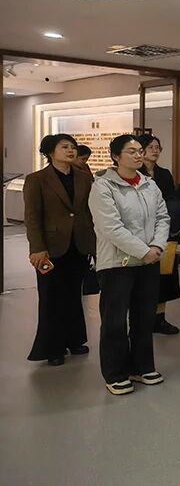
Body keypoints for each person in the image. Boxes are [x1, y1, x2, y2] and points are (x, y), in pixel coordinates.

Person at [89, 134, 170, 396]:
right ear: (116, 156)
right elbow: (110, 227)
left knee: (144, 317)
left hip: (149, 261)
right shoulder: (103, 186)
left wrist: (157, 247)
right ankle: (115, 373)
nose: (138, 155)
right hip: (117, 263)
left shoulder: (149, 184)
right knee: (114, 321)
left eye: (140, 151)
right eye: (131, 151)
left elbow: (163, 217)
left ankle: (142, 367)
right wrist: (143, 251)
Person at [24, 134, 97, 366]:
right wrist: (37, 248)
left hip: (80, 244)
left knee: (74, 295)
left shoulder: (84, 177)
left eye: (72, 147)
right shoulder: (37, 179)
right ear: (50, 152)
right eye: (64, 147)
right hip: (51, 247)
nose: (70, 150)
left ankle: (75, 340)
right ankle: (53, 347)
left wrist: (95, 244)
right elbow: (32, 217)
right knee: (51, 297)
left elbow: (90, 212)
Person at [138, 134, 180, 335]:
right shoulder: (134, 173)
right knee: (143, 278)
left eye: (157, 147)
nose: (155, 150)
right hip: (142, 233)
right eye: (150, 147)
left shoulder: (164, 174)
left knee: (165, 277)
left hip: (165, 230)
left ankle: (160, 319)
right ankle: (142, 319)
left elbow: (171, 199)